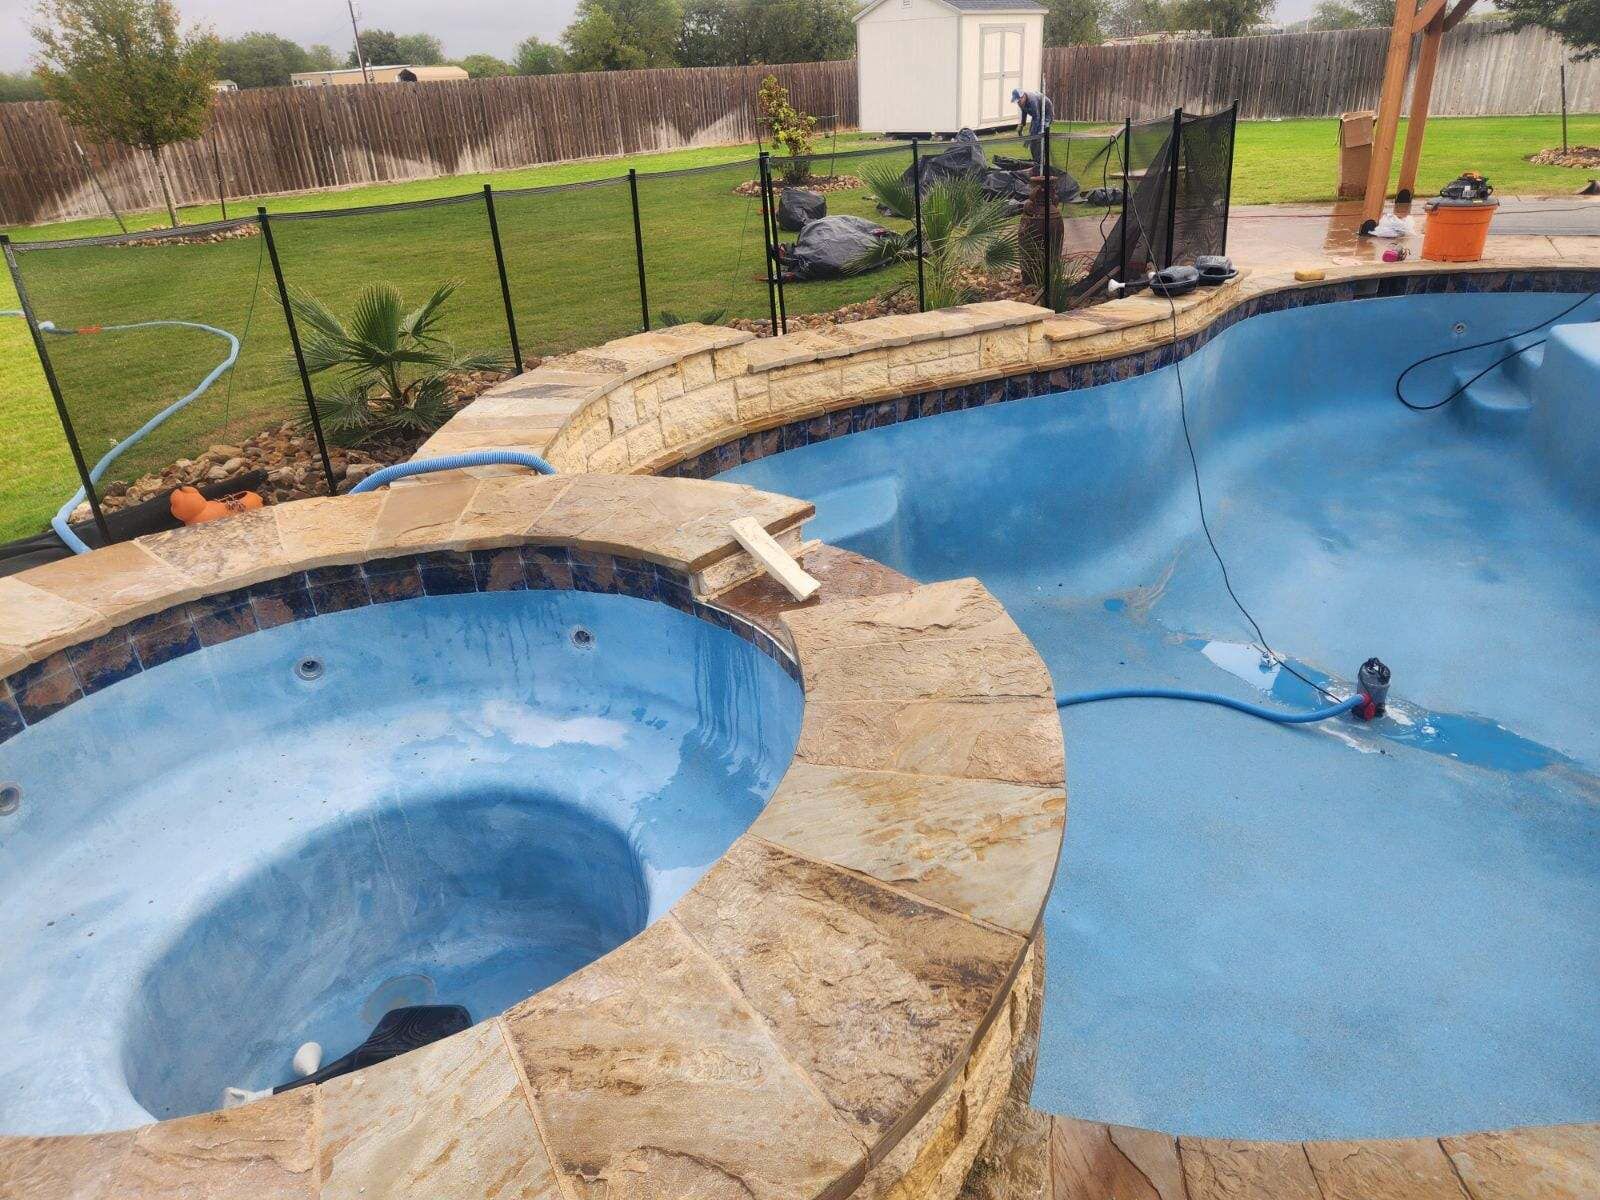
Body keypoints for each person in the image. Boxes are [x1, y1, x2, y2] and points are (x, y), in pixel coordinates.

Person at [1012, 88, 1053, 169]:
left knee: (1038, 137)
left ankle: (1042, 165)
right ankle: (1036, 162)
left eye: (1019, 101)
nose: (1018, 104)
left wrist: (1030, 137)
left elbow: (1037, 119)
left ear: (1023, 96)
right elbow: (1024, 112)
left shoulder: (1032, 101)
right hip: (1037, 115)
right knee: (1033, 138)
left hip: (1046, 114)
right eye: (1017, 102)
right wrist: (1022, 125)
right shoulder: (1021, 103)